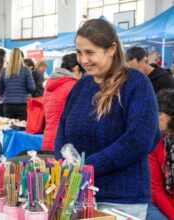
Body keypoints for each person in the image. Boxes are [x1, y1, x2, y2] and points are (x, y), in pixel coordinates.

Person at [55, 19, 160, 219]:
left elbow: (139, 139)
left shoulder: (136, 84)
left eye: (90, 52)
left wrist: (87, 168)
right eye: (79, 52)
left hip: (121, 199)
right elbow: (62, 130)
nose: (83, 59)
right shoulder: (80, 87)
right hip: (77, 194)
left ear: (111, 49)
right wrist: (65, 166)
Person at [42, 53, 83, 151]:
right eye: (82, 72)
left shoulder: (49, 84)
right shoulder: (73, 85)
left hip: (48, 138)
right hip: (65, 143)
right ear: (76, 68)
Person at [148, 89, 174, 220]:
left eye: (159, 114)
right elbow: (156, 190)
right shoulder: (156, 142)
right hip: (162, 204)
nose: (154, 117)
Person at [0, 48, 35, 120]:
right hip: (22, 104)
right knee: (21, 128)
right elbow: (32, 88)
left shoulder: (3, 71)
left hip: (8, 105)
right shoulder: (26, 70)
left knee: (8, 128)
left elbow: (0, 90)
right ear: (21, 57)